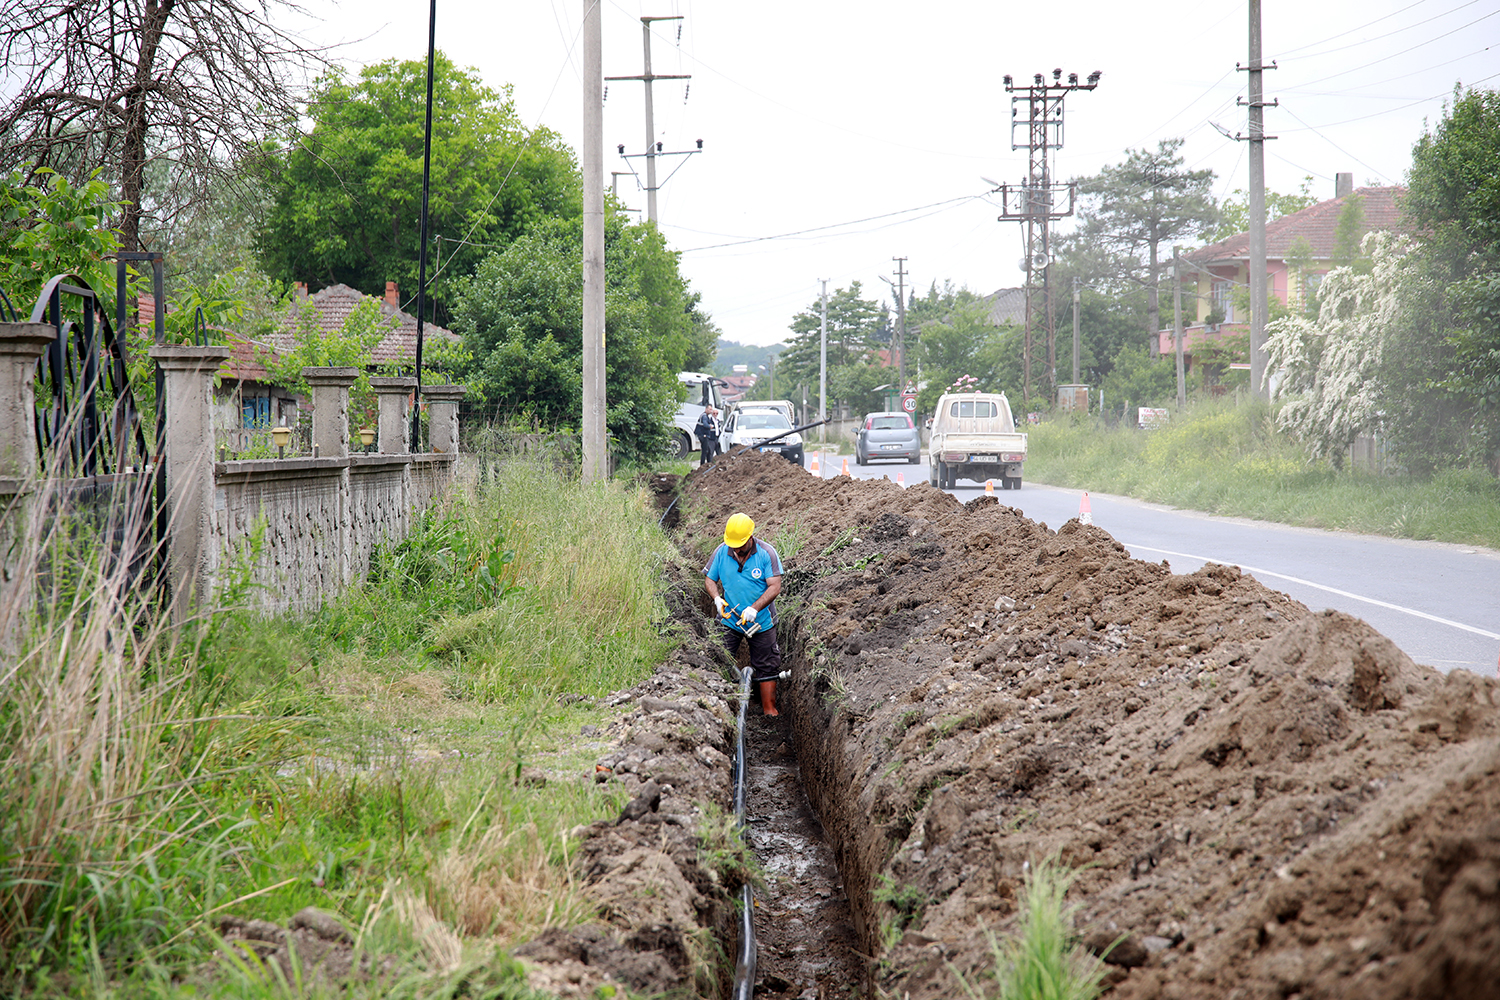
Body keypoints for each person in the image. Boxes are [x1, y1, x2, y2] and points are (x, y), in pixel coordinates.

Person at [704, 512, 784, 716]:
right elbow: (710, 579)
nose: (736, 550)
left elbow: (775, 586)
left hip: (761, 621)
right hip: (729, 620)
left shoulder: (767, 554)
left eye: (739, 546)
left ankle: (769, 710)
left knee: (767, 665)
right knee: (719, 659)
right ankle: (721, 707)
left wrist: (754, 609)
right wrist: (716, 598)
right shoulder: (722, 551)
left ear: (750, 538)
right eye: (733, 546)